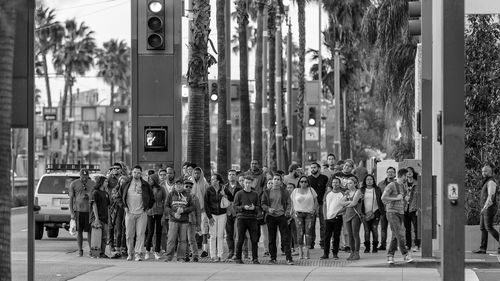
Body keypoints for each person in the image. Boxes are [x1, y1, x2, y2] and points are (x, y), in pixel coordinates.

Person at [121, 165, 154, 261]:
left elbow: (152, 198)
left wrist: (147, 208)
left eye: (139, 172)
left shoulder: (145, 184)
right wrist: (124, 207)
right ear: (131, 173)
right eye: (135, 172)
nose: (137, 174)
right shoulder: (126, 183)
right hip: (129, 213)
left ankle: (138, 254)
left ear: (141, 174)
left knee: (140, 234)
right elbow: (118, 196)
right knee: (129, 234)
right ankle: (130, 253)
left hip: (141, 213)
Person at [382, 168, 414, 264]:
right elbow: (383, 198)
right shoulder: (391, 185)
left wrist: (405, 199)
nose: (407, 178)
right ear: (403, 176)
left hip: (401, 213)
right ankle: (405, 255)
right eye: (406, 176)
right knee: (400, 233)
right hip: (392, 212)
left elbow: (403, 199)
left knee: (395, 235)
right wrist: (396, 198)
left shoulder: (403, 186)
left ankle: (390, 256)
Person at [261, 173, 294, 265]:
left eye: (278, 179)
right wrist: (268, 209)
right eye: (274, 179)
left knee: (285, 238)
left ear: (281, 181)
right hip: (271, 217)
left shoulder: (284, 191)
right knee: (271, 238)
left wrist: (287, 212)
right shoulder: (266, 192)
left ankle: (289, 258)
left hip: (281, 216)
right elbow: (263, 204)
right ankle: (273, 258)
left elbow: (289, 203)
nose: (276, 181)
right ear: (272, 181)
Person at [205, 173, 234, 261]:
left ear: (218, 181)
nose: (212, 181)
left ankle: (220, 255)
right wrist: (209, 217)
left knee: (220, 235)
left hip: (222, 214)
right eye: (211, 179)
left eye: (214, 179)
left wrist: (224, 195)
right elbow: (206, 204)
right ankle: (213, 255)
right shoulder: (209, 190)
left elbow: (231, 198)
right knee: (213, 235)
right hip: (212, 214)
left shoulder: (224, 188)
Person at [233, 175, 261, 264]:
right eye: (246, 182)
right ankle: (238, 257)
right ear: (243, 183)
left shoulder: (255, 194)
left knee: (254, 239)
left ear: (252, 183)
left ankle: (255, 258)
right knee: (240, 238)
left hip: (252, 219)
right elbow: (235, 207)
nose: (247, 184)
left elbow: (259, 207)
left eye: (249, 183)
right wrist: (243, 207)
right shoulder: (239, 194)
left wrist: (254, 208)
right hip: (242, 218)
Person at [164, 178, 194, 262]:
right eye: (177, 184)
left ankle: (181, 257)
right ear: (175, 186)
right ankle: (169, 257)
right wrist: (174, 214)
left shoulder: (188, 195)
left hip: (184, 221)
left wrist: (184, 210)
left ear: (183, 186)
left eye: (180, 185)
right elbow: (166, 207)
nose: (179, 186)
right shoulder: (171, 194)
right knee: (171, 239)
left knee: (183, 240)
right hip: (173, 220)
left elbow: (192, 207)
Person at [473, 164, 499, 254]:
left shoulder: (491, 182)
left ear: (490, 172)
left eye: (485, 171)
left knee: (489, 227)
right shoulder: (486, 182)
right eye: (482, 171)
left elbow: (490, 196)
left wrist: (484, 207)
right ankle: (483, 249)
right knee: (483, 228)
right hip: (485, 208)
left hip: (489, 207)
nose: (483, 173)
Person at [69, 168, 95, 257]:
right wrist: (72, 213)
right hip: (78, 211)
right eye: (83, 176)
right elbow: (71, 199)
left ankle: (91, 250)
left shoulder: (92, 184)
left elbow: (95, 196)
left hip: (89, 211)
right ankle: (80, 250)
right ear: (80, 175)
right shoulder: (74, 184)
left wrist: (89, 196)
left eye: (86, 176)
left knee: (89, 231)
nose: (84, 178)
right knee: (79, 231)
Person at [290, 176, 318, 259]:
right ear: (299, 182)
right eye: (302, 181)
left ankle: (307, 252)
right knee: (300, 232)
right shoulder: (295, 191)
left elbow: (316, 200)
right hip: (298, 213)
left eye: (305, 181)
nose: (303, 183)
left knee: (308, 233)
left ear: (308, 182)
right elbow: (292, 201)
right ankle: (300, 252)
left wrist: (314, 209)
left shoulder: (311, 190)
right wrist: (292, 210)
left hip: (309, 213)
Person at [321, 177, 347, 259]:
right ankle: (326, 253)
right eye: (333, 182)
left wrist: (339, 212)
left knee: (336, 236)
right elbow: (324, 205)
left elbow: (346, 206)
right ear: (331, 184)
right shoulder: (327, 193)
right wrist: (325, 216)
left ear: (339, 184)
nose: (335, 184)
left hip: (338, 218)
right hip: (328, 218)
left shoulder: (342, 194)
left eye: (337, 182)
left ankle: (335, 253)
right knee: (327, 236)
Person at [307, 162, 329, 249]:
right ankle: (311, 243)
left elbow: (327, 190)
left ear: (319, 169)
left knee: (323, 224)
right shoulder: (308, 179)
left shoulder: (324, 178)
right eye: (311, 167)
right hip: (311, 205)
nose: (312, 169)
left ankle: (323, 243)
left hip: (322, 203)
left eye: (314, 167)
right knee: (311, 224)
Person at [145, 174, 166, 260]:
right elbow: (145, 199)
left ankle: (157, 251)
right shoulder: (147, 188)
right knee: (150, 232)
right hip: (150, 212)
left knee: (158, 233)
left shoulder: (161, 189)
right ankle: (147, 251)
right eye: (149, 179)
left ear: (155, 180)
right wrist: (146, 209)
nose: (150, 181)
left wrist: (164, 214)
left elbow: (165, 201)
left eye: (152, 179)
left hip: (159, 212)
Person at [189, 167, 210, 257]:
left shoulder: (205, 184)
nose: (197, 175)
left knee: (204, 230)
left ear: (201, 174)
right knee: (191, 231)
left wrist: (206, 208)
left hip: (202, 210)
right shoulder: (190, 183)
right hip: (192, 211)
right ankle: (191, 250)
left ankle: (205, 250)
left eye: (198, 173)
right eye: (195, 173)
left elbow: (208, 198)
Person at [361, 174, 383, 253]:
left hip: (375, 212)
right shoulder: (362, 190)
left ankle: (375, 247)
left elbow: (381, 201)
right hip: (364, 213)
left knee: (374, 229)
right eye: (367, 179)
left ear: (373, 181)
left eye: (371, 179)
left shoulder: (377, 189)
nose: (369, 181)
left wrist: (381, 212)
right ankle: (367, 247)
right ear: (365, 181)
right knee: (366, 231)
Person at [89, 176, 110, 258]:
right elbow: (94, 205)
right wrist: (96, 218)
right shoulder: (95, 192)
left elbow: (107, 206)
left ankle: (102, 253)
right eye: (105, 182)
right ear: (101, 182)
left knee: (104, 237)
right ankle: (94, 253)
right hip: (97, 218)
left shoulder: (106, 193)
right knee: (96, 236)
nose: (107, 183)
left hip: (105, 218)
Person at [224, 169, 243, 260]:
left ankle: (237, 252)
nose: (231, 176)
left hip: (237, 214)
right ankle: (230, 251)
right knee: (229, 234)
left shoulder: (240, 187)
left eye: (233, 174)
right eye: (230, 174)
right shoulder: (224, 188)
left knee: (237, 234)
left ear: (236, 176)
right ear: (228, 176)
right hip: (227, 213)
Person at [343, 177, 363, 260]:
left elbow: (354, 203)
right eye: (347, 183)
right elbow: (340, 202)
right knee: (349, 235)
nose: (348, 185)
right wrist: (348, 202)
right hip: (347, 215)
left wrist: (346, 203)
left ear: (355, 184)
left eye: (350, 183)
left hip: (355, 214)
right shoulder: (347, 192)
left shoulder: (358, 192)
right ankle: (352, 252)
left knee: (355, 234)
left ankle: (357, 253)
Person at [377, 166, 396, 251]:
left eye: (392, 172)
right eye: (389, 172)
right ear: (386, 173)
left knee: (394, 228)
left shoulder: (397, 184)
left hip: (394, 209)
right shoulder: (381, 184)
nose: (390, 173)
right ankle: (383, 245)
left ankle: (394, 245)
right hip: (383, 210)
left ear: (395, 174)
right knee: (383, 228)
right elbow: (378, 197)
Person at [184, 179, 201, 262]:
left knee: (191, 239)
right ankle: (186, 255)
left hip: (191, 221)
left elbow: (198, 211)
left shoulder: (195, 197)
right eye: (186, 186)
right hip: (182, 221)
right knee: (184, 239)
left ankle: (195, 255)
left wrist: (198, 224)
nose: (188, 188)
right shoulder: (179, 196)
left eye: (190, 187)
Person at [404, 167, 420, 252]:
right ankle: (408, 245)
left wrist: (418, 209)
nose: (409, 173)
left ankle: (417, 245)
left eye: (410, 171)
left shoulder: (418, 184)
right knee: (407, 228)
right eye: (407, 172)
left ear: (413, 173)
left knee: (416, 228)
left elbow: (420, 197)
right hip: (405, 209)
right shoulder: (403, 184)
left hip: (414, 209)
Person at [160, 167, 175, 252]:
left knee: (172, 232)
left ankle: (172, 249)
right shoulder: (161, 184)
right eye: (167, 173)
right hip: (163, 212)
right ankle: (164, 248)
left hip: (174, 212)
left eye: (171, 173)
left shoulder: (177, 184)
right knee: (163, 232)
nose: (169, 175)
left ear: (174, 174)